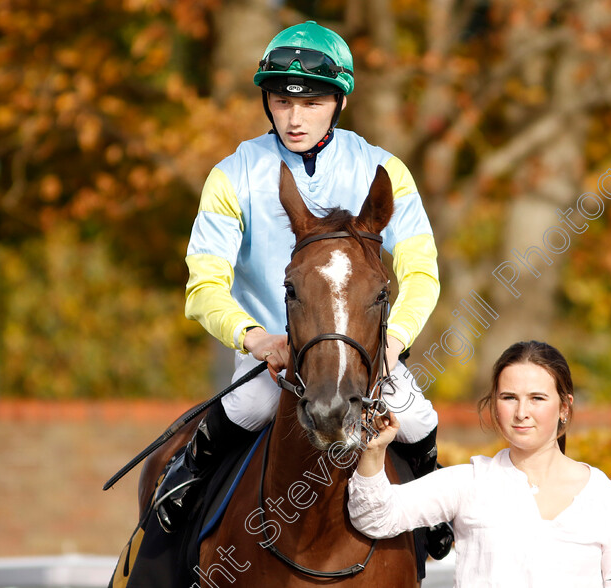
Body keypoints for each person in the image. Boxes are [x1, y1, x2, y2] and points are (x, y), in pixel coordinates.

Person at [153, 21, 453, 556]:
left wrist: (395, 339)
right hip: (275, 353)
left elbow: (422, 272)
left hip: (365, 351)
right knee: (246, 405)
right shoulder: (232, 175)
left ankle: (435, 514)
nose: (294, 117)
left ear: (338, 101)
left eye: (311, 102)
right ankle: (181, 491)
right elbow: (204, 287)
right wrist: (256, 339)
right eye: (281, 100)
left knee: (417, 417)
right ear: (267, 101)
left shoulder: (385, 170)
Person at [348, 341, 611, 587]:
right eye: (509, 398)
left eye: (537, 398)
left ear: (564, 407)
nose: (521, 412)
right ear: (494, 405)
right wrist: (374, 451)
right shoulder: (469, 483)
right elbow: (375, 516)